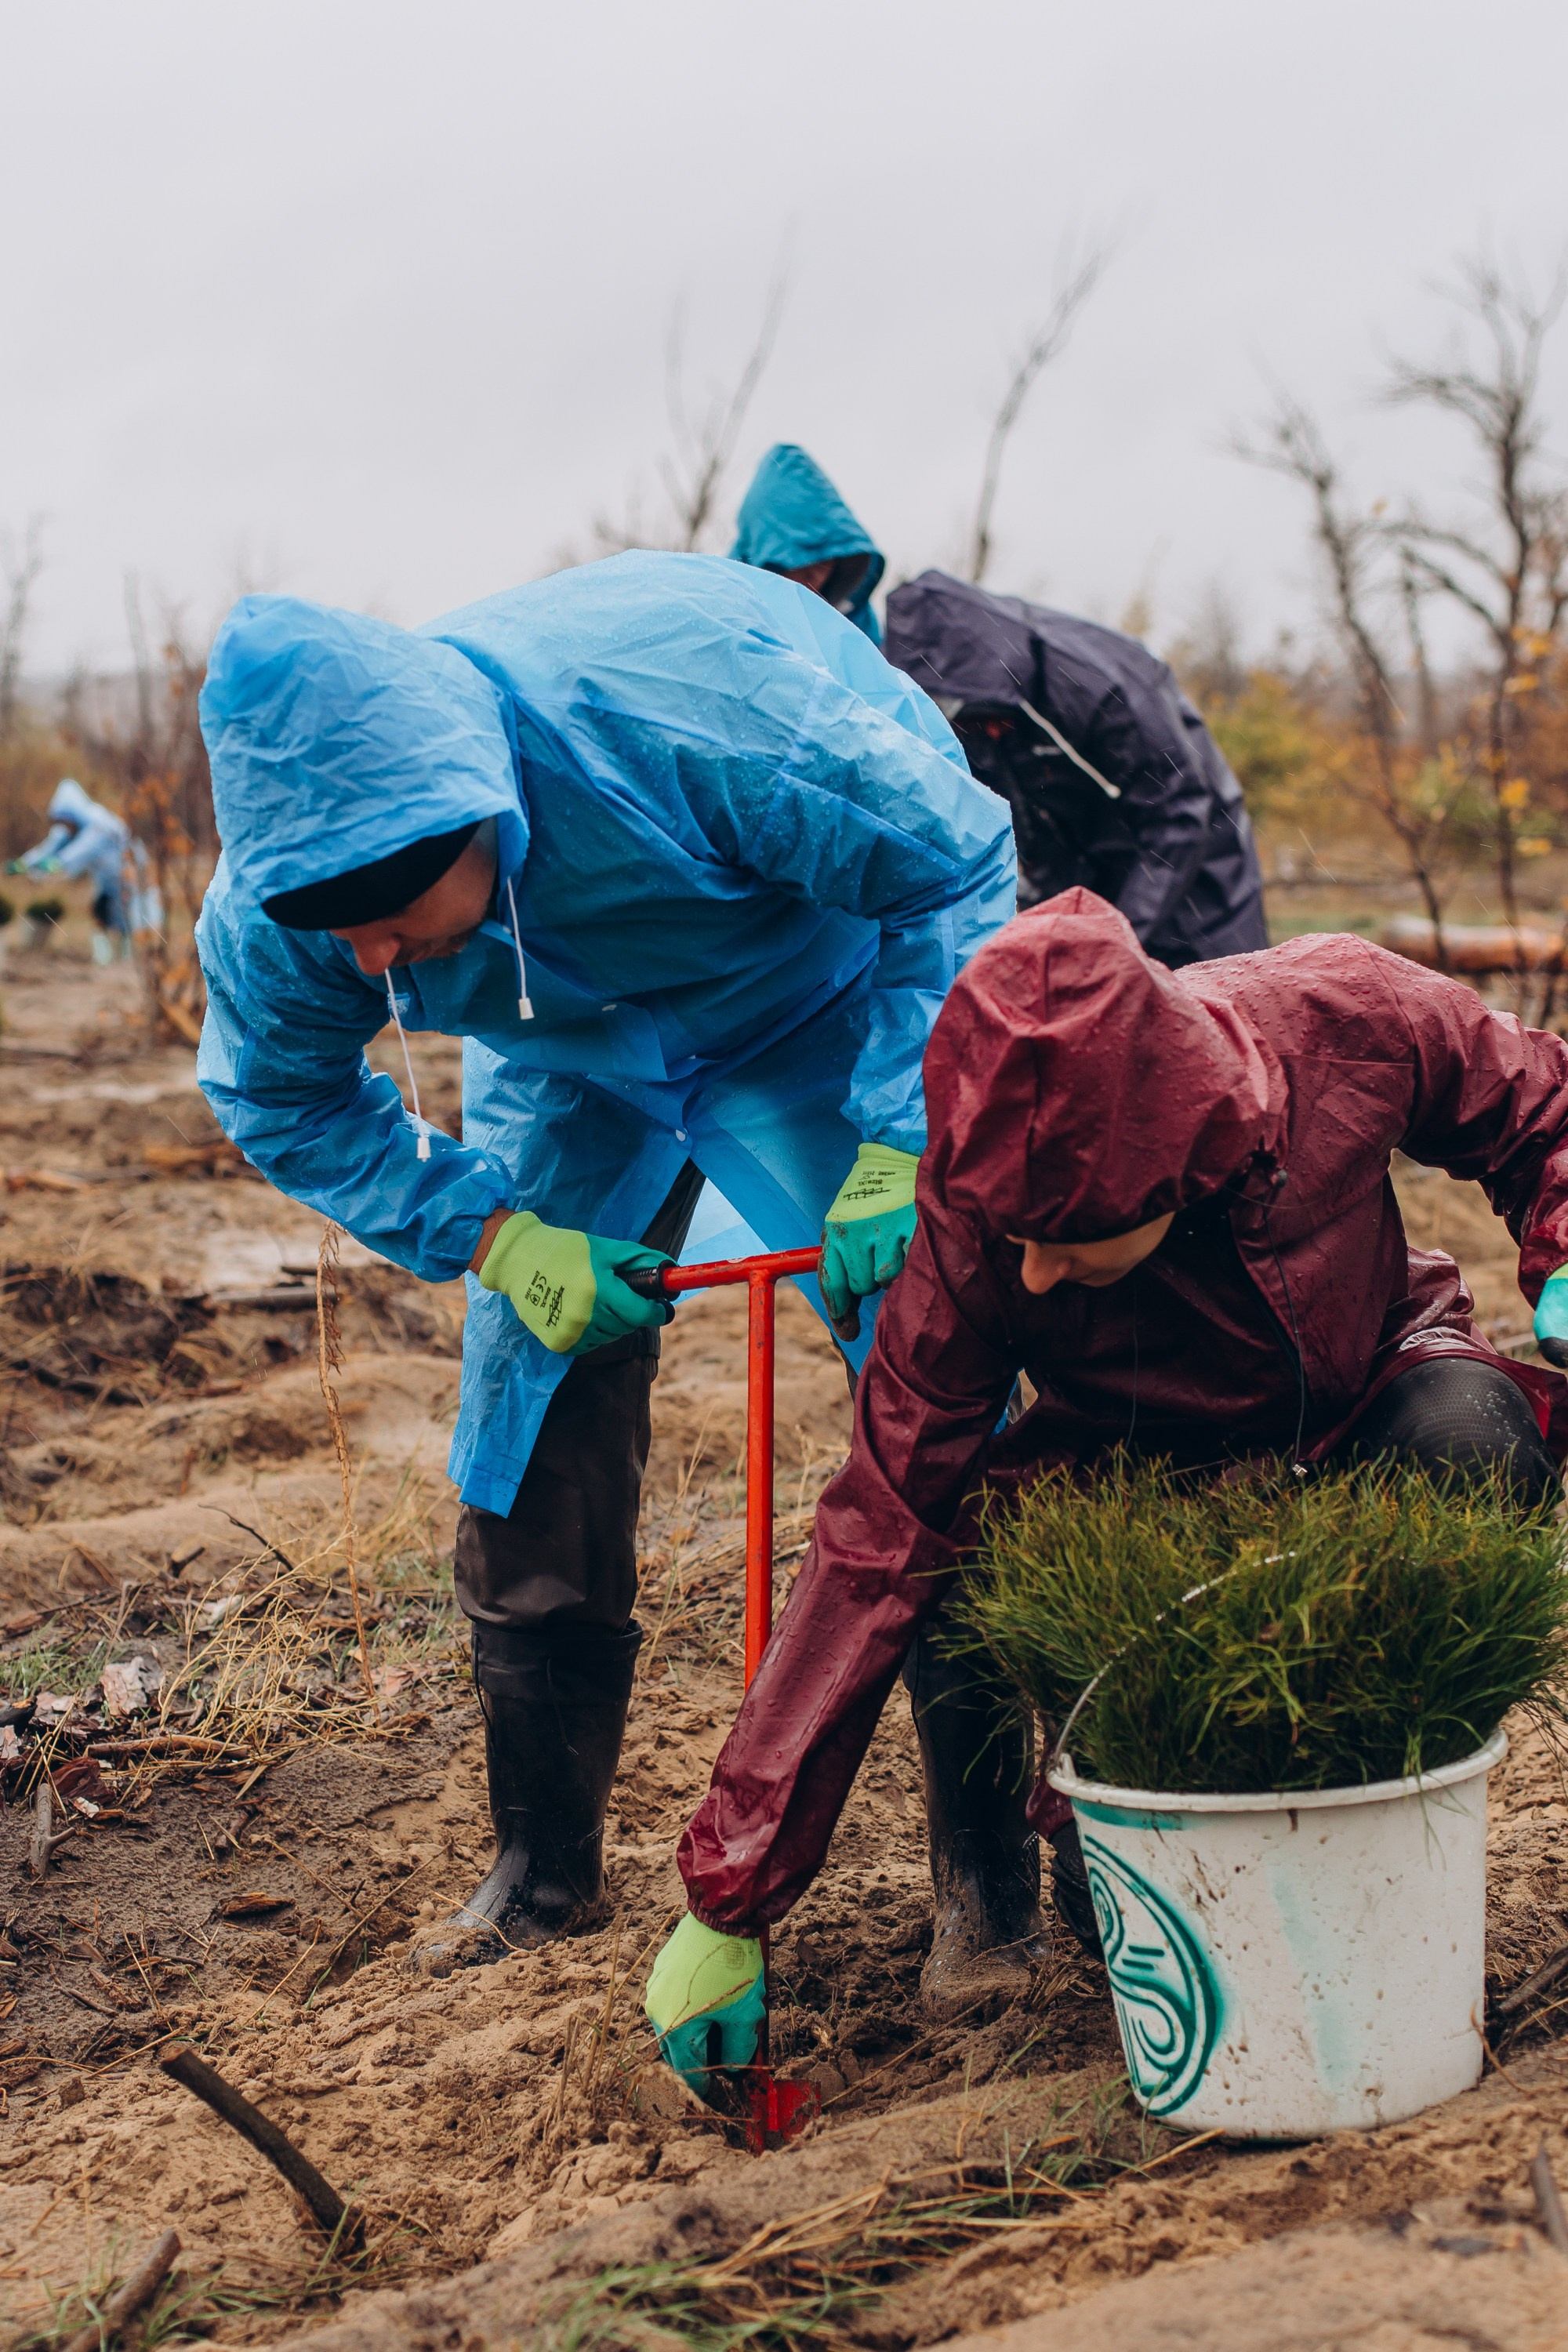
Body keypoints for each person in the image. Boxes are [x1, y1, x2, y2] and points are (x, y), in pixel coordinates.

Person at [194, 550, 1015, 1958]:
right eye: (341, 928)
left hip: (821, 992)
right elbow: (280, 1096)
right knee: (532, 1388)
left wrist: (902, 1132)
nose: (377, 960)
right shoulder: (298, 913)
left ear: (483, 819)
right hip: (566, 1053)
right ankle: (543, 1867)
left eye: (396, 912)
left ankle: (987, 1886)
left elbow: (947, 860)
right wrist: (499, 1237)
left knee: (936, 1356)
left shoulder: (687, 714)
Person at [645, 891, 1568, 2090]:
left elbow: (1538, 1104)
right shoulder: (976, 1234)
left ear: (1173, 1161)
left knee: (1475, 1442)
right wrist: (733, 1893)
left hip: (1372, 1380)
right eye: (1011, 1236)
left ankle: (1387, 1819)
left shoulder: (1345, 1012)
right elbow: (881, 1527)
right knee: (962, 1563)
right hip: (1137, 1461)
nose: (1031, 1270)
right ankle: (989, 1901)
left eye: (1065, 1237)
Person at [884, 572, 1268, 964]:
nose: (985, 731)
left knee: (1209, 1004)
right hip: (1096, 887)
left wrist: (1115, 941)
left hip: (1198, 888)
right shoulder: (973, 717)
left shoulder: (1100, 682)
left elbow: (1178, 812)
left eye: (981, 715)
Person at [731, 445, 885, 644]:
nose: (817, 580)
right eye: (806, 569)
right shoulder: (725, 604)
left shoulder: (854, 621)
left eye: (826, 562)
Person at [10, 779, 155, 964]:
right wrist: (24, 863)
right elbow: (50, 847)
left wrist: (59, 863)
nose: (64, 827)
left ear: (74, 815)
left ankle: (128, 964)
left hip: (130, 876)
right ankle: (105, 963)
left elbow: (82, 850)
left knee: (129, 921)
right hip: (105, 883)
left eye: (65, 822)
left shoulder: (98, 823)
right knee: (101, 916)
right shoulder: (71, 827)